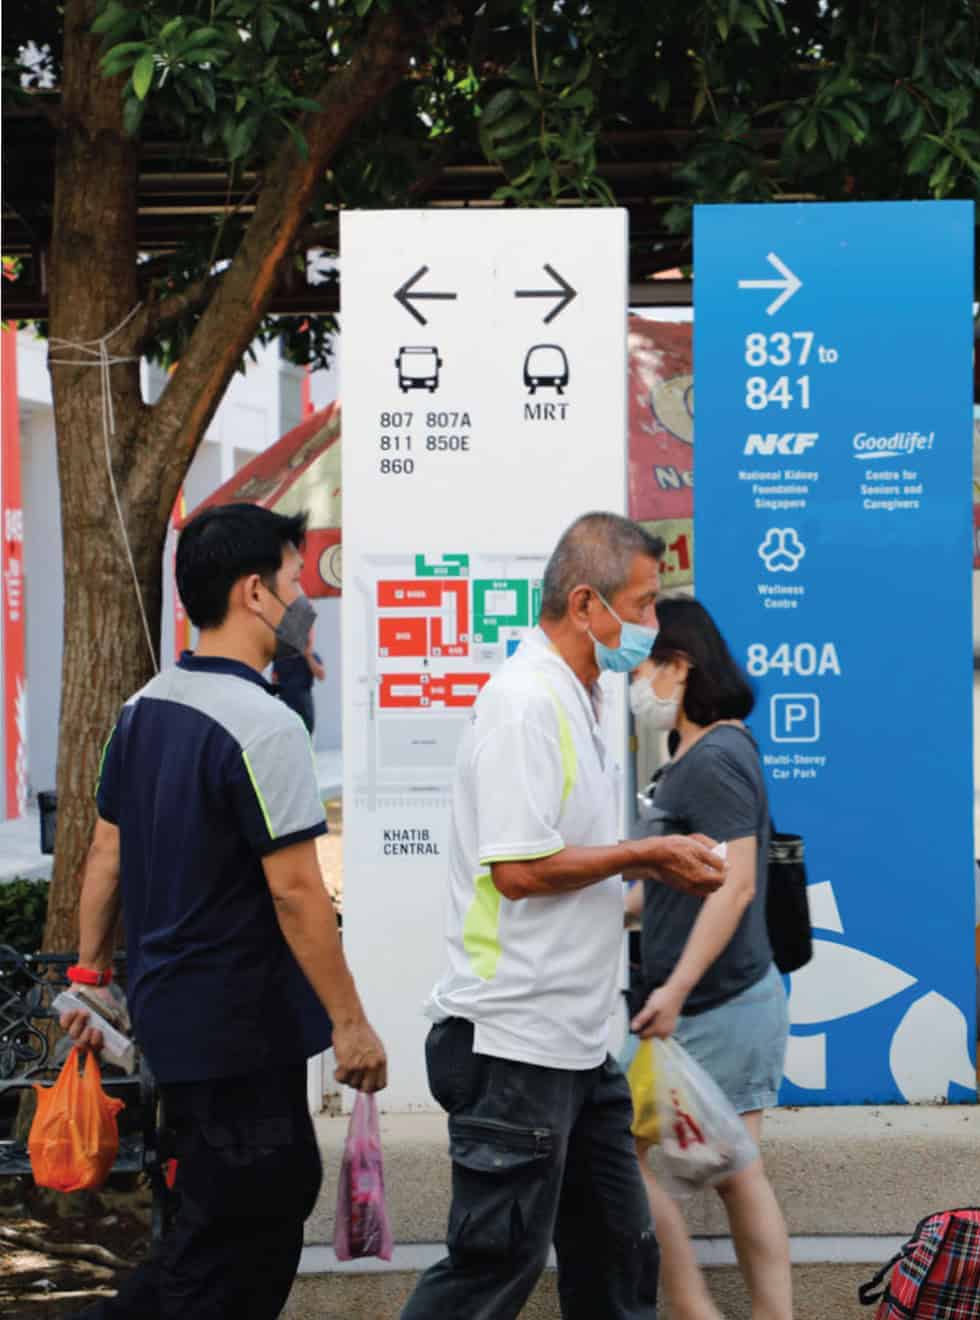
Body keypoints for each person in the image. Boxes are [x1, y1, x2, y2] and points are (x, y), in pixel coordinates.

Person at [58, 502, 388, 1320]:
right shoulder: (264, 724)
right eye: (292, 577)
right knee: (232, 1242)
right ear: (253, 592)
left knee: (217, 1221)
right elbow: (297, 890)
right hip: (238, 1029)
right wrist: (351, 1023)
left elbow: (107, 854)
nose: (301, 593)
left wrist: (89, 977)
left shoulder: (142, 710)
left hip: (175, 1023)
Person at [399, 513, 727, 1320]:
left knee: (619, 1256)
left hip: (578, 1047)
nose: (651, 628)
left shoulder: (582, 696)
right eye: (644, 606)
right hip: (516, 1043)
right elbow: (518, 871)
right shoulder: (525, 703)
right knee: (491, 1272)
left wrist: (650, 875)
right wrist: (644, 857)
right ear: (586, 605)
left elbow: (566, 870)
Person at [623, 596, 793, 1320]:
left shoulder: (717, 755)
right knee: (731, 1171)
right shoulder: (692, 757)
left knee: (653, 1165)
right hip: (708, 1002)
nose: (636, 687)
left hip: (718, 1004)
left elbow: (737, 882)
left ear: (681, 666)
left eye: (645, 668)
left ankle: (698, 1306)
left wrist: (677, 985)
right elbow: (673, 889)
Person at [271, 625, 326, 735]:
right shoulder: (281, 657)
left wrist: (308, 656)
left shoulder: (310, 656)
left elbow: (321, 675)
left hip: (303, 703)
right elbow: (274, 679)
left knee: (305, 736)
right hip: (285, 703)